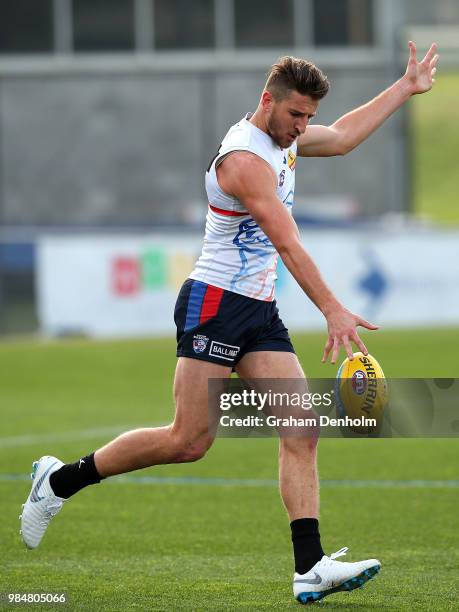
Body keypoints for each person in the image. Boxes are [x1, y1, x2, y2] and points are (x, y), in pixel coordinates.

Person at [20, 41, 438, 604]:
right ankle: (58, 481)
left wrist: (405, 87)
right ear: (268, 101)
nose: (302, 127)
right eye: (296, 115)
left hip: (258, 310)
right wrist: (333, 310)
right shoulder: (243, 160)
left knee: (302, 429)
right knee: (188, 441)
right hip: (213, 303)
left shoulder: (286, 138)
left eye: (307, 117)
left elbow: (340, 138)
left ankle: (309, 566)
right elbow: (287, 243)